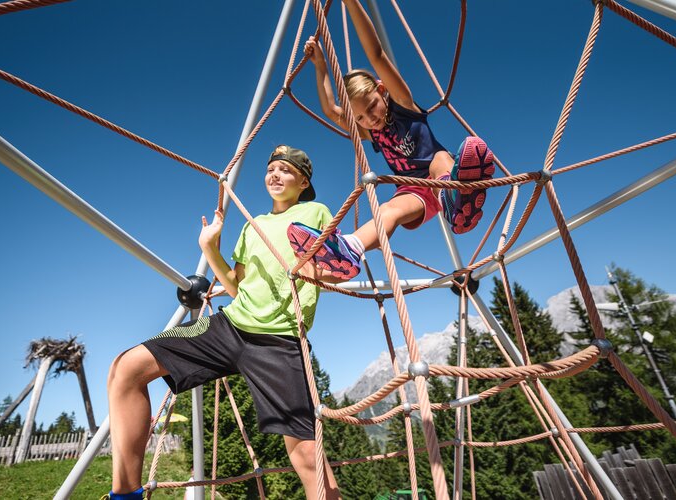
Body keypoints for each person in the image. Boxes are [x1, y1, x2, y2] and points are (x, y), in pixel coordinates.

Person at [105, 145, 341, 500]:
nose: (275, 175)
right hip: (230, 328)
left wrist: (319, 268)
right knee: (126, 368)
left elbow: (337, 264)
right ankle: (126, 495)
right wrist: (210, 248)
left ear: (303, 181)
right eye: (270, 169)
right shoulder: (253, 226)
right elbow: (235, 287)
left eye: (286, 170)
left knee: (307, 453)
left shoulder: (316, 212)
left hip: (280, 341)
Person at [288, 0, 497, 280]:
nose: (369, 119)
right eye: (359, 118)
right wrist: (320, 65)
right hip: (414, 192)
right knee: (388, 210)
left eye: (371, 106)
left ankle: (457, 195)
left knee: (440, 158)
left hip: (438, 180)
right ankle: (350, 249)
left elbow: (375, 55)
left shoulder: (402, 104)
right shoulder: (370, 131)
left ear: (382, 90)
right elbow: (330, 110)